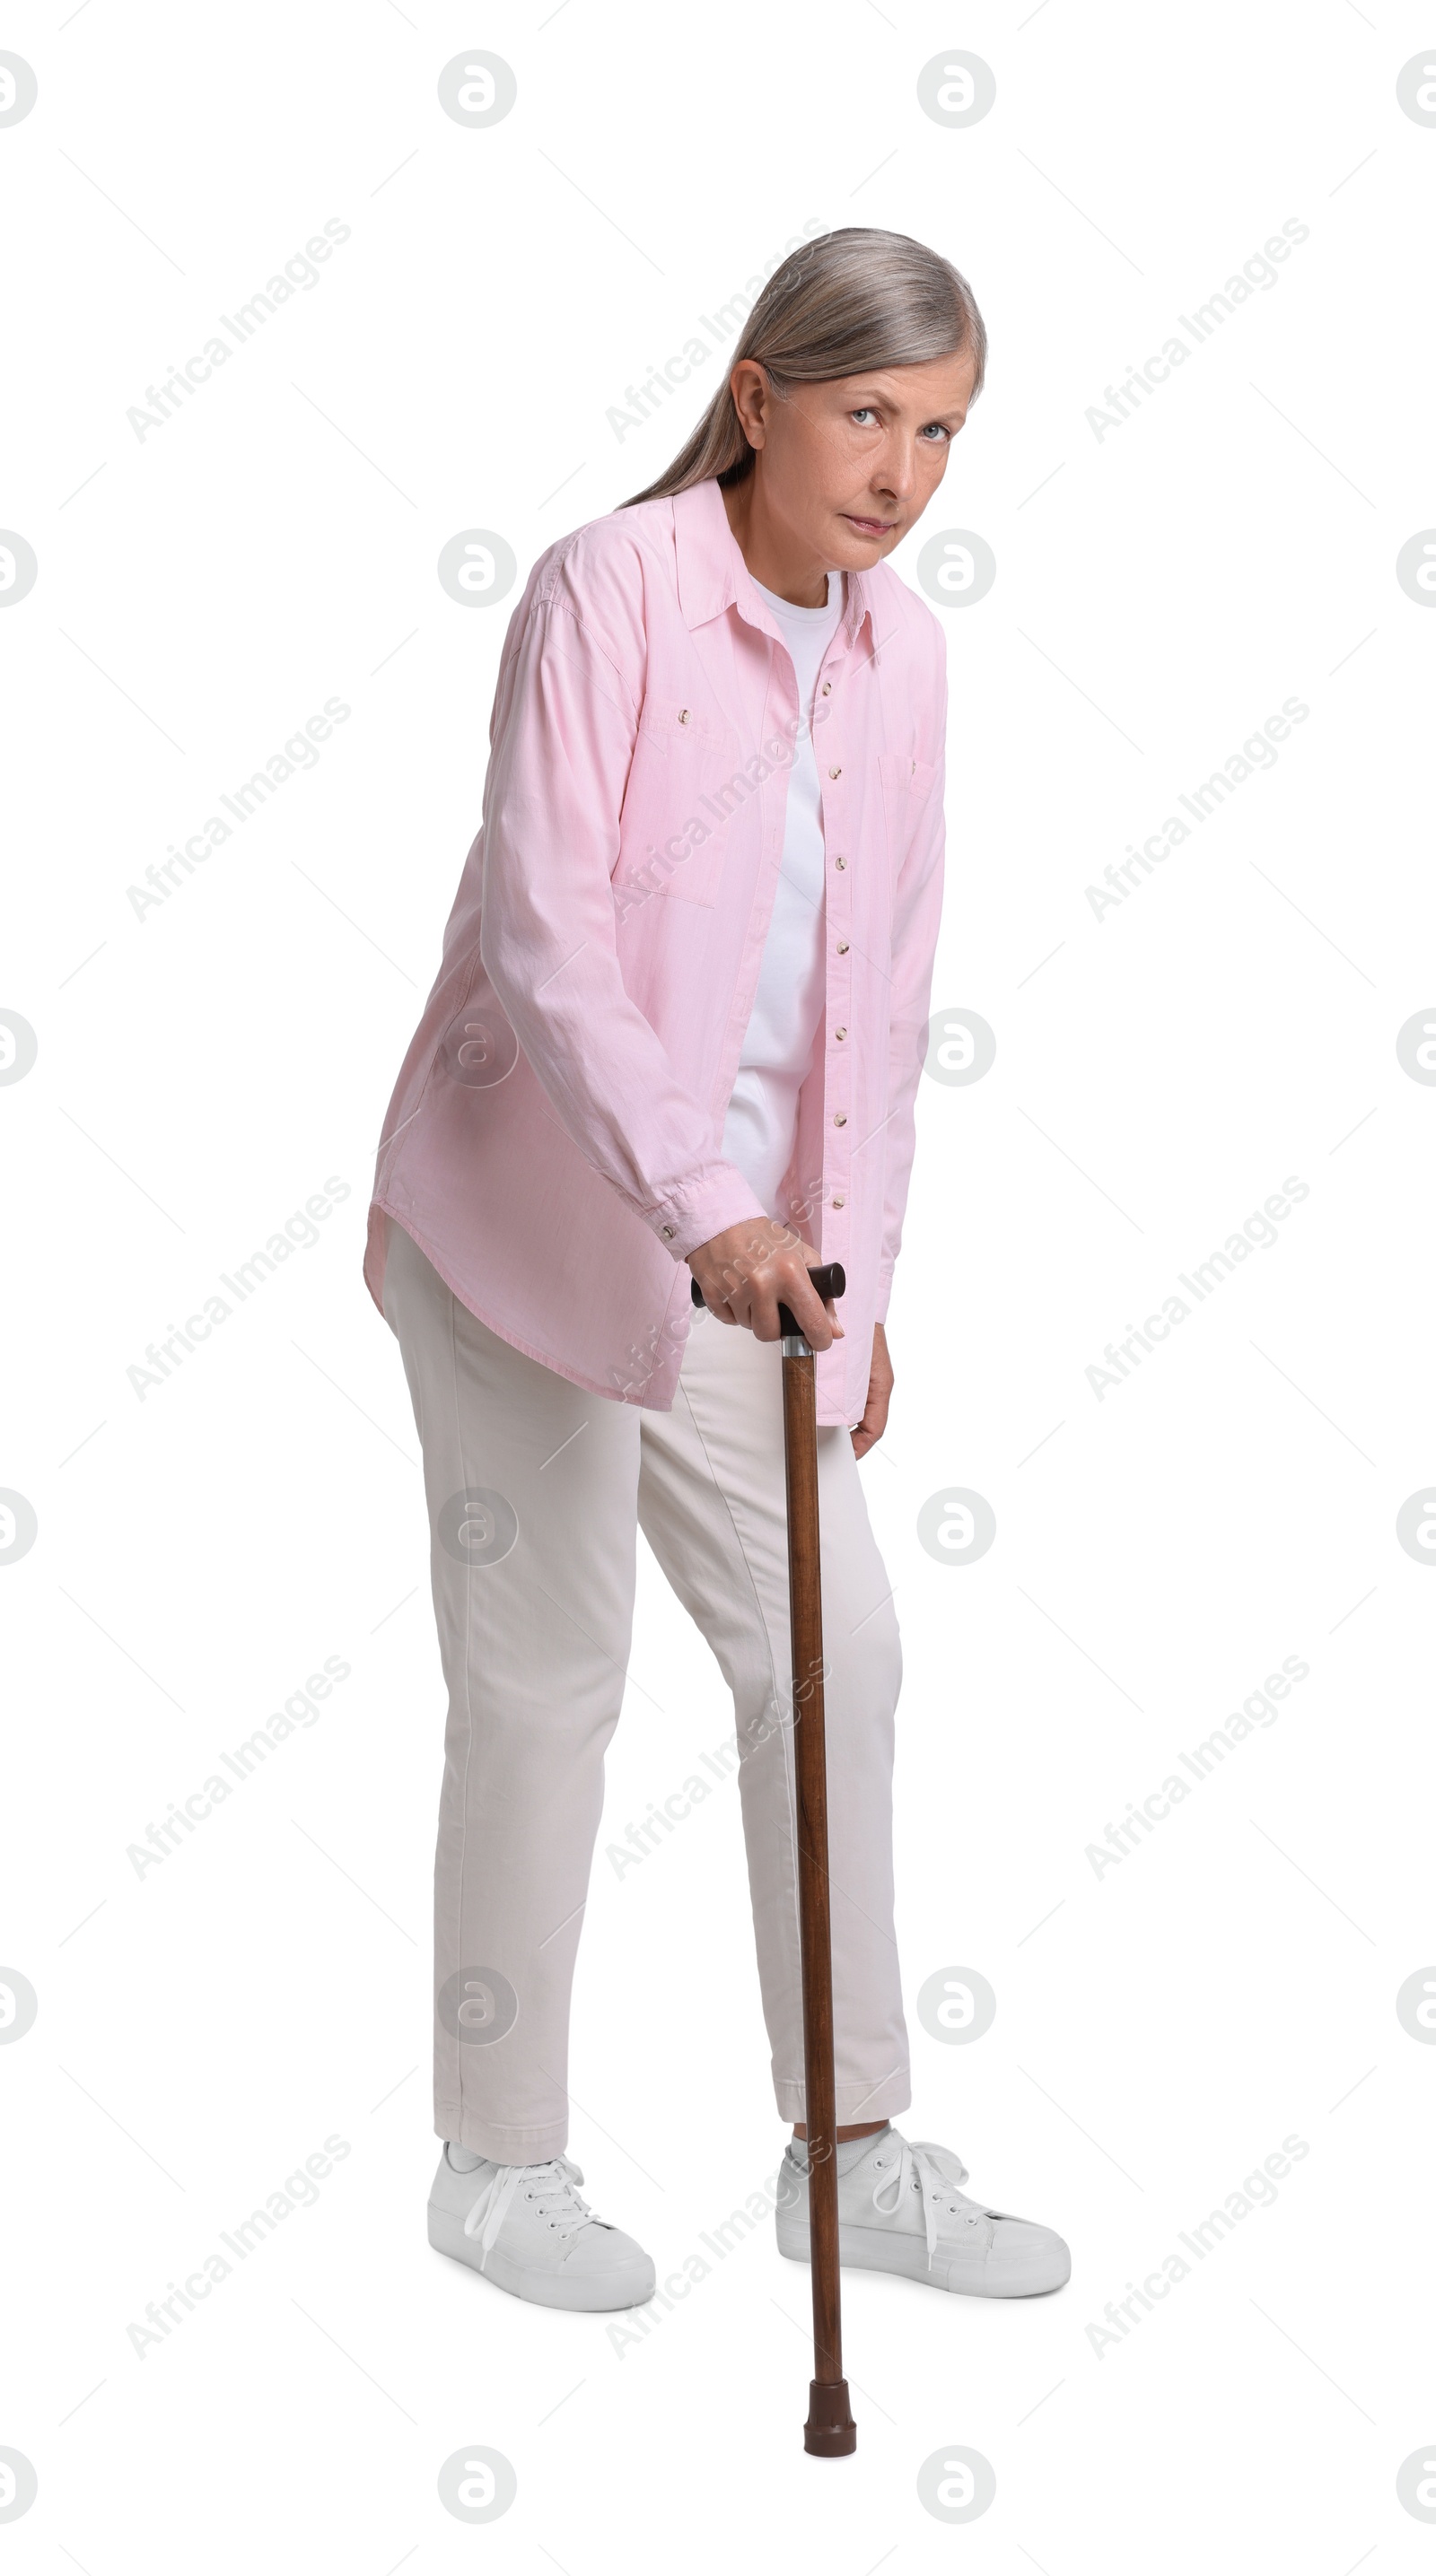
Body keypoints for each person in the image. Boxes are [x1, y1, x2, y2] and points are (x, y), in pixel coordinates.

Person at [364, 225, 1069, 2311]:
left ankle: (843, 2148)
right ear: (758, 390)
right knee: (546, 1687)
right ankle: (495, 2167)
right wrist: (706, 1209)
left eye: (938, 432)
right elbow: (546, 931)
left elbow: (879, 992)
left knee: (832, 1654)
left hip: (744, 1265)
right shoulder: (612, 588)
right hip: (521, 1233)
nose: (898, 471)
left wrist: (851, 1274)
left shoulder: (903, 654)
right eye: (867, 414)